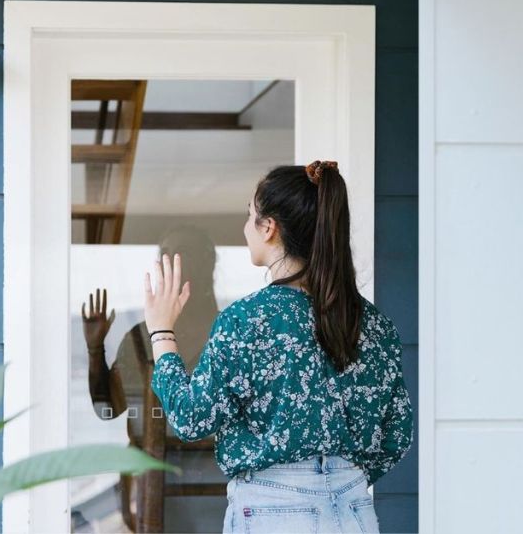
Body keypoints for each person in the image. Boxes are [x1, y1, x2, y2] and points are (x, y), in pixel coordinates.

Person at [145, 160, 414, 533]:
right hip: (354, 512)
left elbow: (192, 419)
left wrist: (162, 332)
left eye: (249, 215)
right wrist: (339, 475)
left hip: (273, 511)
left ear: (268, 228)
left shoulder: (247, 320)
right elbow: (396, 435)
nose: (245, 227)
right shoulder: (375, 325)